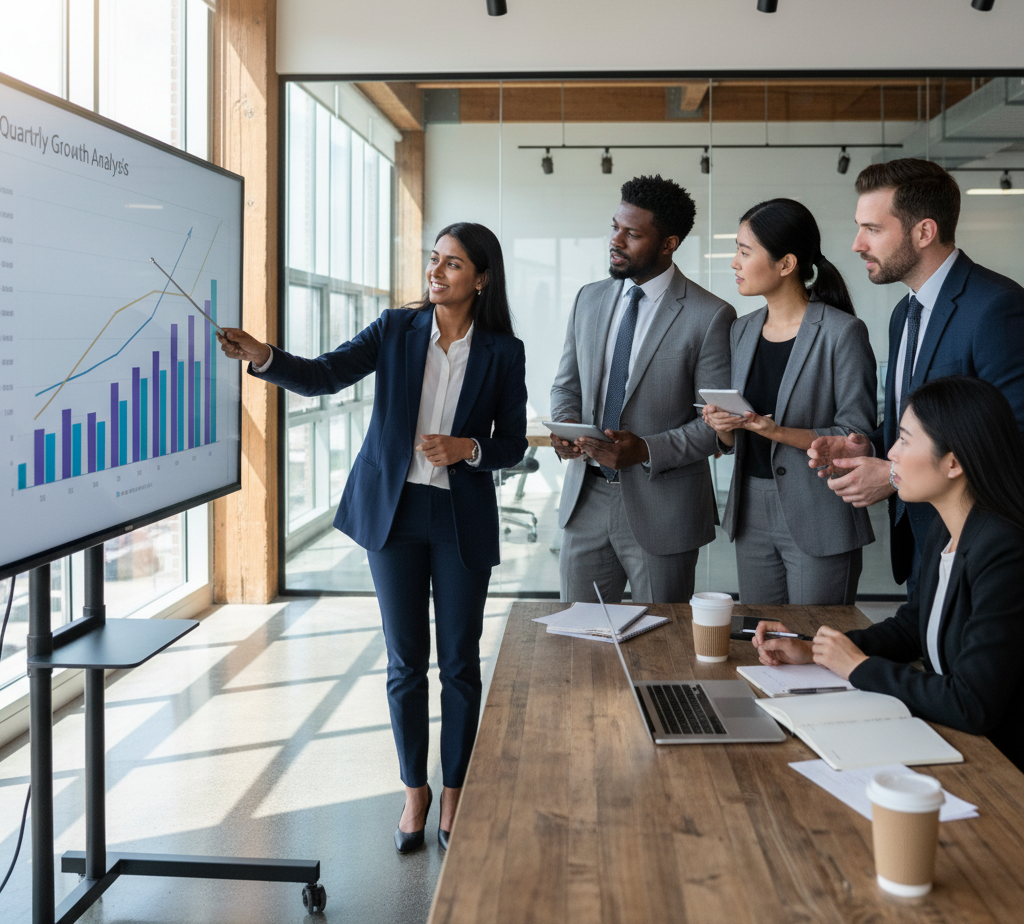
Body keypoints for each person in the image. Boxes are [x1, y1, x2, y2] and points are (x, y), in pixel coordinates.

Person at [219, 223, 527, 852]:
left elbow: (514, 442)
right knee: (405, 662)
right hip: (395, 513)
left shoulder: (503, 349)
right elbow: (325, 375)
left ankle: (456, 793)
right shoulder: (395, 329)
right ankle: (415, 790)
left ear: (482, 278)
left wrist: (468, 447)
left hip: (460, 518)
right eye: (433, 260)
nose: (436, 273)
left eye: (453, 264)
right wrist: (263, 356)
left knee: (461, 664)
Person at [755, 376, 1024, 773]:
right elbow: (913, 628)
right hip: (952, 744)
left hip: (999, 769)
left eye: (904, 439)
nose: (891, 453)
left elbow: (971, 703)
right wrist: (815, 652)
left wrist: (858, 667)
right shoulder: (943, 530)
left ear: (954, 462)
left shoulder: (1004, 550)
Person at [808, 158, 1024, 596]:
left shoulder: (996, 308)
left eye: (872, 228)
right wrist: (867, 443)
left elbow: (1011, 440)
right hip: (923, 547)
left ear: (923, 232)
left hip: (979, 553)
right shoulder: (902, 314)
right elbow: (927, 423)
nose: (856, 243)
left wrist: (891, 475)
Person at [549, 174, 735, 603]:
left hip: (664, 507)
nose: (615, 240)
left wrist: (645, 449)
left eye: (632, 234)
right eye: (615, 226)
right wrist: (568, 427)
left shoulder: (710, 316)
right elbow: (566, 385)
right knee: (581, 642)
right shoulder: (588, 298)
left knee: (662, 649)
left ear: (669, 243)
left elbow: (717, 426)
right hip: (586, 499)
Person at [702, 198, 875, 604]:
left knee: (816, 646)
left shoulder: (841, 332)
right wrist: (724, 429)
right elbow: (732, 441)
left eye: (745, 252)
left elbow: (857, 436)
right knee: (767, 645)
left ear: (786, 264)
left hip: (819, 510)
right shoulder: (741, 331)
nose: (734, 262)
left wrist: (777, 432)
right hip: (750, 509)